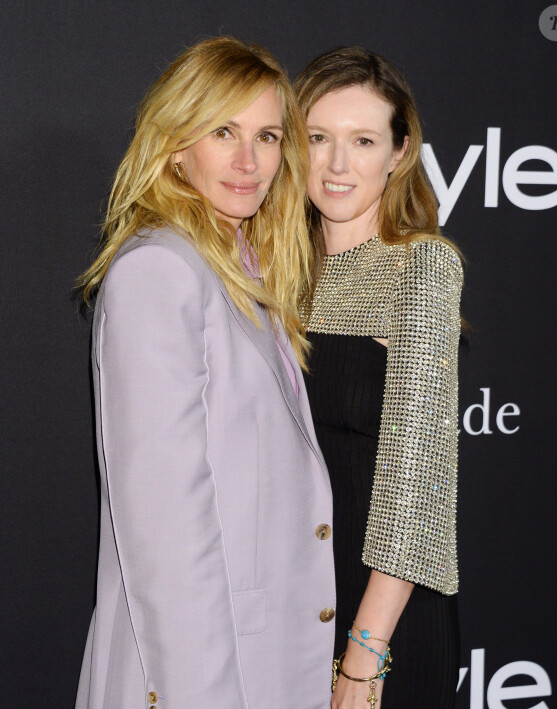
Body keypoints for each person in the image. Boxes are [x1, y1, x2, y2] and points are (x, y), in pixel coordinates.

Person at [75, 37, 335, 709]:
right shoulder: (160, 272)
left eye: (268, 135)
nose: (249, 161)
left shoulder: (244, 267)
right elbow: (164, 531)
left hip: (262, 666)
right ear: (177, 142)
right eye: (224, 131)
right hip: (203, 677)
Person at [295, 47, 463, 708]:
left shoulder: (419, 267)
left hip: (382, 616)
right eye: (318, 138)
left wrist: (363, 658)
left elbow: (416, 482)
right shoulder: (271, 272)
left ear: (398, 152)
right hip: (287, 609)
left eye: (362, 140)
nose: (338, 165)